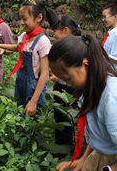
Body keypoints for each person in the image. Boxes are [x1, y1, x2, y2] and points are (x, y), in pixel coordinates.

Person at [49, 34, 117, 171]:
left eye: (67, 78)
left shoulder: (114, 98)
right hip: (103, 155)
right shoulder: (91, 88)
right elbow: (99, 134)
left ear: (85, 65)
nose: (67, 84)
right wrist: (83, 159)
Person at [0, 0, 57, 115]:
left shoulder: (43, 42)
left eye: (24, 19)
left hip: (34, 88)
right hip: (21, 82)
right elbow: (17, 47)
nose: (21, 22)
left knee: (33, 120)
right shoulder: (24, 36)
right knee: (20, 114)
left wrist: (33, 101)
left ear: (38, 18)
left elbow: (44, 74)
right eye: (20, 19)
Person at [51, 15, 81, 154]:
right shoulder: (70, 45)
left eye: (55, 30)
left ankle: (66, 152)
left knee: (66, 122)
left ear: (65, 30)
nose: (54, 34)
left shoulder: (73, 48)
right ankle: (62, 151)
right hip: (62, 87)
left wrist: (61, 79)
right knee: (61, 121)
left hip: (68, 90)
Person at [101, 4, 117, 77]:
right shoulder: (111, 34)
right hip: (106, 75)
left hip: (113, 77)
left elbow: (116, 59)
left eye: (105, 17)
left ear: (115, 17)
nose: (103, 20)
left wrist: (97, 57)